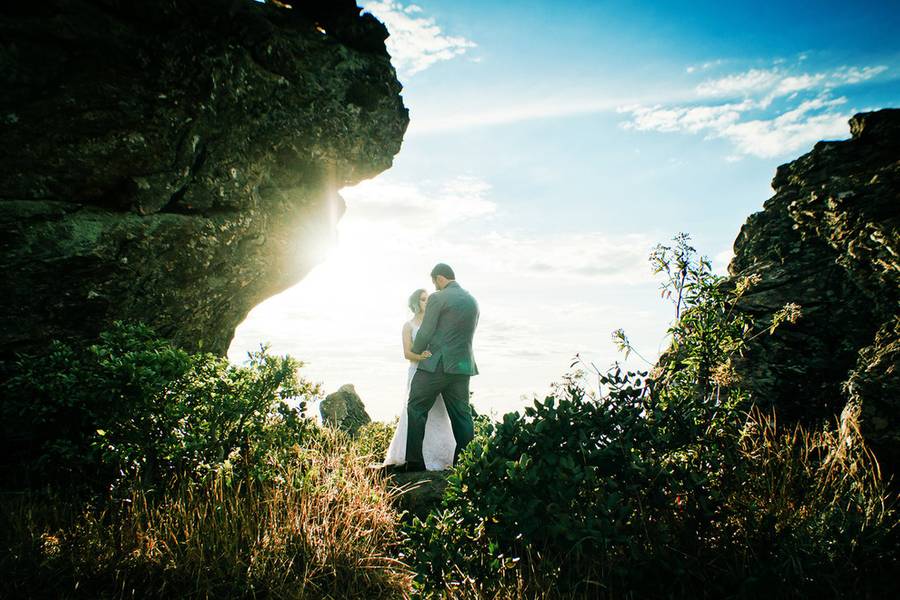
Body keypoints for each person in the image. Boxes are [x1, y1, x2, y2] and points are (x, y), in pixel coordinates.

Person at [404, 263, 479, 471]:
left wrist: (418, 353)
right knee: (462, 415)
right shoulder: (472, 300)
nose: (435, 288)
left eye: (434, 282)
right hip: (463, 367)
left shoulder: (438, 298)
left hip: (436, 365)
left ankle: (415, 463)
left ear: (439, 278)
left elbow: (426, 331)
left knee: (416, 407)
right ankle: (466, 465)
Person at [382, 289, 456, 470]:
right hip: (417, 371)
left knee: (438, 410)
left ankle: (442, 456)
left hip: (436, 374)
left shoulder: (436, 322)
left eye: (429, 300)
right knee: (414, 411)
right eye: (423, 300)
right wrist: (421, 357)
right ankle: (414, 456)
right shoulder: (408, 326)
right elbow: (407, 353)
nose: (427, 303)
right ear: (415, 303)